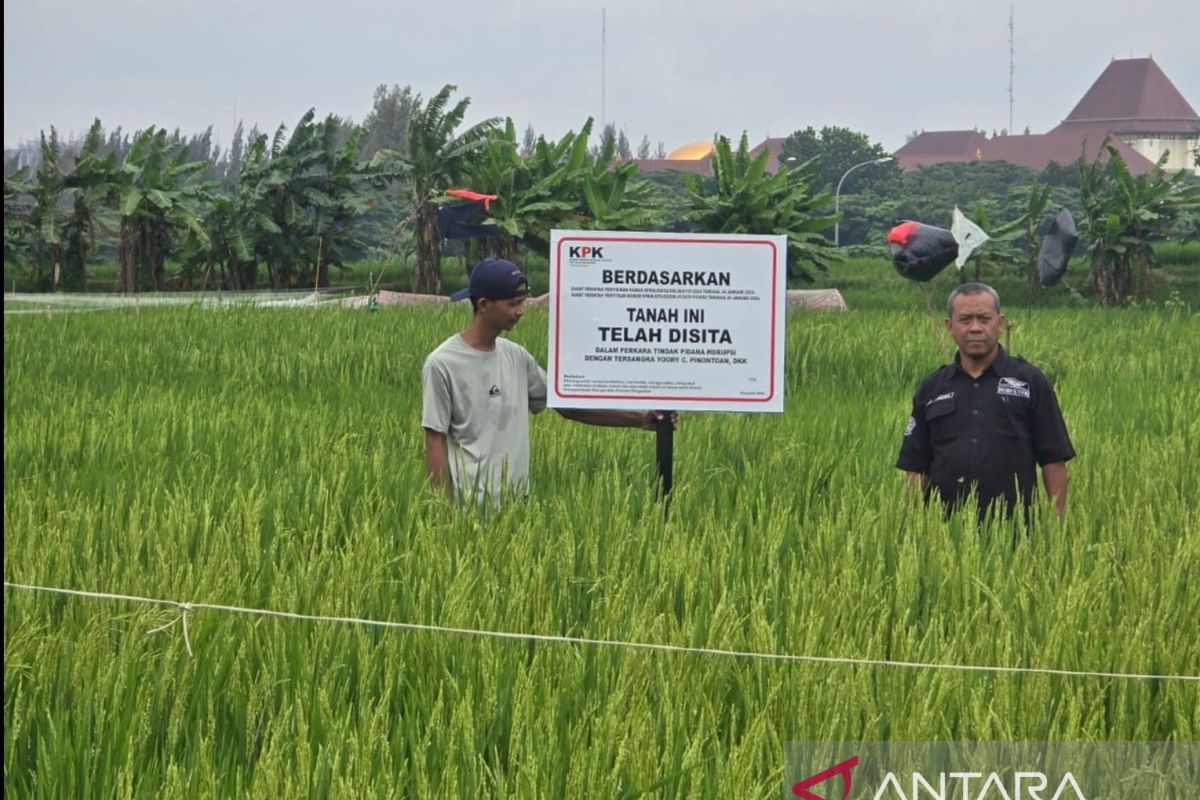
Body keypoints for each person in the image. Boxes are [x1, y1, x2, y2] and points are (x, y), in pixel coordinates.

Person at [422, 258, 670, 505]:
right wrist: (446, 514)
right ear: (484, 304)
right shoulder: (443, 363)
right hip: (469, 508)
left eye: (522, 302)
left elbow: (567, 406)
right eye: (513, 304)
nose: (521, 311)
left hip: (516, 508)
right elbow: (435, 439)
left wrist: (639, 417)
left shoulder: (516, 356)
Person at [896, 283, 1075, 519]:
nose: (975, 328)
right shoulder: (932, 388)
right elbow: (916, 466)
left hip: (1014, 530)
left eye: (984, 319)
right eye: (965, 320)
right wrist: (909, 524)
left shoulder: (1030, 382)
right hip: (942, 529)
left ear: (1000, 323)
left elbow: (1053, 459)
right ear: (949, 326)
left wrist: (1057, 526)